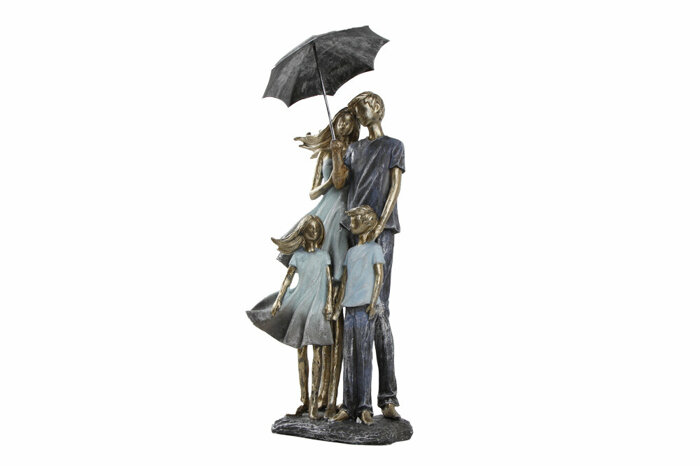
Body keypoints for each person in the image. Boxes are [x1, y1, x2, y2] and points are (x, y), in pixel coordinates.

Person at [276, 107, 360, 418]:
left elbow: (343, 183)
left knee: (335, 303)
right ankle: (309, 397)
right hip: (323, 217)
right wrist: (332, 158)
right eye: (341, 118)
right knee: (314, 290)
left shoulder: (354, 151)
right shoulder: (328, 150)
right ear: (335, 121)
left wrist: (340, 159)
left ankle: (329, 395)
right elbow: (315, 191)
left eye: (350, 120)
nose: (345, 123)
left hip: (342, 224)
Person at [330, 91, 404, 419]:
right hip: (353, 229)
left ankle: (387, 397)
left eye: (364, 106)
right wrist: (337, 154)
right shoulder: (354, 149)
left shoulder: (394, 146)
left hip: (381, 232)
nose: (360, 113)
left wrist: (380, 226)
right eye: (357, 109)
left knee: (379, 309)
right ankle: (352, 403)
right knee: (352, 312)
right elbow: (340, 182)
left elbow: (395, 188)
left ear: (378, 108)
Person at [246, 215, 333, 419]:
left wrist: (329, 302)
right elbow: (288, 279)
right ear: (303, 232)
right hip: (300, 304)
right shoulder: (298, 256)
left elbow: (328, 281)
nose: (313, 231)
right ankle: (305, 401)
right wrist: (278, 300)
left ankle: (314, 404)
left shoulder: (324, 256)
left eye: (316, 228)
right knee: (301, 353)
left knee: (318, 354)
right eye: (309, 228)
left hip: (318, 307)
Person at [331, 205, 384, 425]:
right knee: (349, 357)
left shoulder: (375, 249)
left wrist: (373, 302)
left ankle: (364, 407)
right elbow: (344, 280)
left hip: (364, 308)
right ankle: (347, 405)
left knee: (363, 356)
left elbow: (379, 275)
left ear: (368, 223)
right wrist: (337, 306)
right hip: (349, 308)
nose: (352, 223)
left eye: (356, 219)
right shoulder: (351, 252)